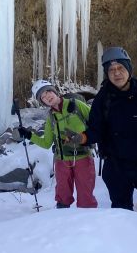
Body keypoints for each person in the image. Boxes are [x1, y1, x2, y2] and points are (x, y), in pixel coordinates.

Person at [68, 47, 137, 223]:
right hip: (115, 166)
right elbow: (95, 130)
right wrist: (82, 138)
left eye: (120, 68)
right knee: (122, 215)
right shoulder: (103, 100)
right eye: (111, 70)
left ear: (128, 69)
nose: (116, 73)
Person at [17, 80, 98, 208]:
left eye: (48, 91)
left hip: (82, 157)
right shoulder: (51, 118)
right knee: (62, 198)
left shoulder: (76, 104)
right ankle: (62, 224)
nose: (47, 97)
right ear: (42, 102)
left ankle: (86, 225)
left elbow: (97, 121)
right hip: (62, 162)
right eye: (42, 97)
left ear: (54, 91)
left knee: (86, 198)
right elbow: (46, 143)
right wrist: (29, 135)